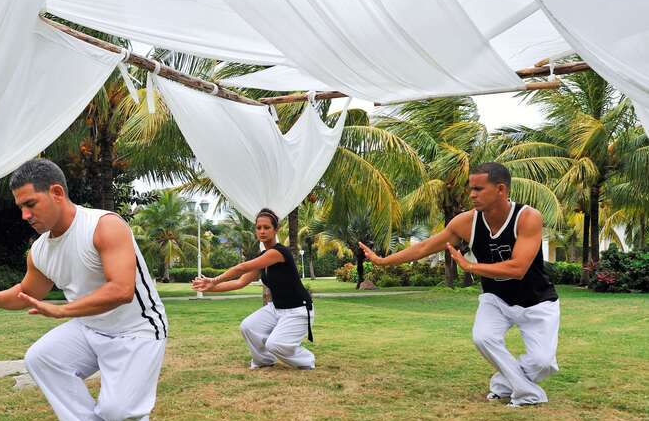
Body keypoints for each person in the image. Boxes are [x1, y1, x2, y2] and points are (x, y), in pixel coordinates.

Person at [0, 159, 168, 421]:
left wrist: (63, 312)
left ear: (56, 192)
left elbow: (121, 289)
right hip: (90, 327)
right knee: (41, 357)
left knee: (118, 415)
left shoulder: (104, 226)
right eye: (20, 207)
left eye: (30, 203)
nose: (24, 215)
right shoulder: (40, 250)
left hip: (138, 330)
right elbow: (26, 293)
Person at [359, 162, 560, 407]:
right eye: (470, 188)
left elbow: (518, 268)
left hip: (537, 300)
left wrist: (472, 267)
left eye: (478, 188)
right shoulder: (465, 222)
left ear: (500, 190)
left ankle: (503, 384)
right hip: (496, 298)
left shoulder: (527, 217)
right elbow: (423, 247)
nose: (472, 194)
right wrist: (383, 261)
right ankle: (527, 394)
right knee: (483, 337)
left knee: (542, 362)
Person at [192, 208, 315, 370]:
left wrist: (214, 280)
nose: (262, 231)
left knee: (275, 344)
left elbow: (242, 267)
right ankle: (264, 360)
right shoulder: (261, 257)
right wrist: (209, 287)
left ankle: (307, 360)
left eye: (267, 227)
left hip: (298, 310)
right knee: (248, 327)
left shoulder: (278, 252)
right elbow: (240, 282)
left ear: (275, 230)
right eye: (259, 228)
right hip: (277, 309)